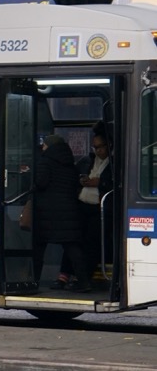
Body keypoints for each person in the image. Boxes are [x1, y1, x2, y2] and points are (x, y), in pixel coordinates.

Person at [32, 134, 92, 291]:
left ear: (49, 147)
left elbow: (40, 183)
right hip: (69, 212)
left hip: (47, 213)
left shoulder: (45, 162)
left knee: (38, 249)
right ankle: (84, 282)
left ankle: (33, 282)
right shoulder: (70, 165)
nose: (42, 148)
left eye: (44, 145)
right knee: (72, 247)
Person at [77, 122, 113, 280]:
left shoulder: (113, 161)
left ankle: (85, 277)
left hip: (100, 208)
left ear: (109, 145)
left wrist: (98, 182)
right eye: (95, 148)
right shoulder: (91, 160)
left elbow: (113, 181)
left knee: (93, 243)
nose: (98, 151)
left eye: (100, 147)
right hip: (84, 205)